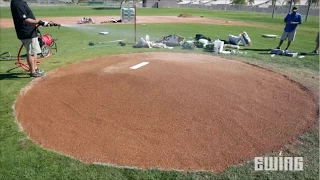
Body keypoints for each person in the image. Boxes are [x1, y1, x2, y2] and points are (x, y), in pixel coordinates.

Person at [10, 0, 52, 78]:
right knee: (31, 52)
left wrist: (39, 23)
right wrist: (40, 22)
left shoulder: (20, 2)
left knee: (34, 51)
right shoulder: (17, 3)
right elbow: (25, 20)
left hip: (31, 31)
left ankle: (35, 69)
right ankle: (33, 72)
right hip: (27, 32)